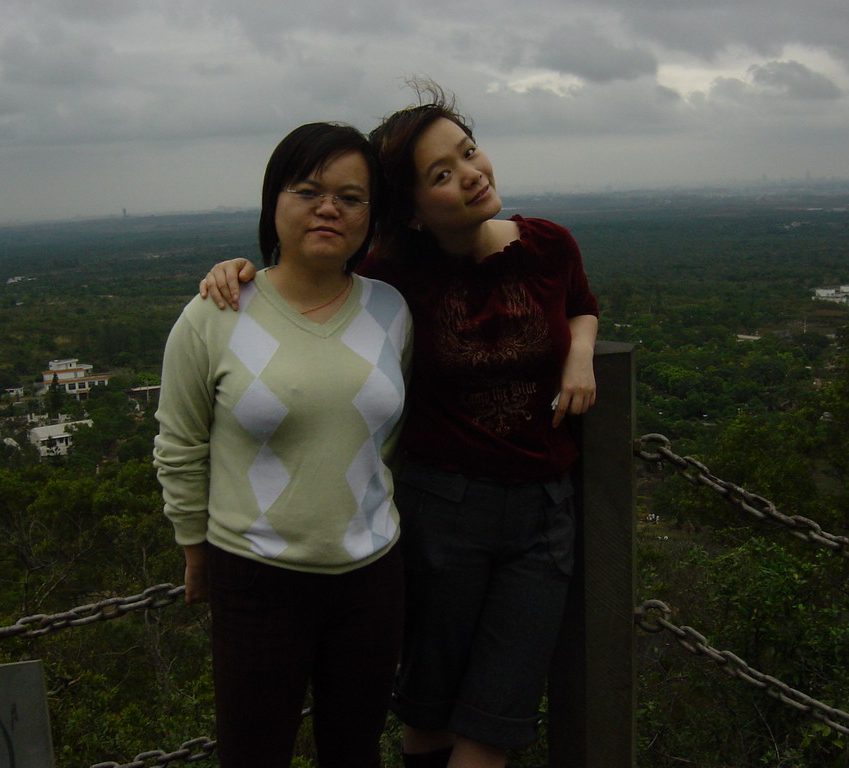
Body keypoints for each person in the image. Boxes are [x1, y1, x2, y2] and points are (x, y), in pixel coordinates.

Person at [200, 81, 598, 768]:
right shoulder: (392, 281)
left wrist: (581, 357)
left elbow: (582, 305)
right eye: (440, 174)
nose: (470, 174)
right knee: (429, 710)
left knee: (498, 718)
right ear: (410, 210)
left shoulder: (548, 246)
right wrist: (240, 275)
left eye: (468, 152)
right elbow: (313, 272)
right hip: (445, 510)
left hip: (544, 510)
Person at [154, 122, 412, 768]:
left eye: (352, 197)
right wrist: (193, 547)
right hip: (257, 575)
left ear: (371, 214)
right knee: (253, 752)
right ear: (274, 203)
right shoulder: (217, 313)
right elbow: (180, 442)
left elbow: (390, 439)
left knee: (355, 751)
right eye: (309, 190)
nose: (330, 208)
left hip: (371, 572)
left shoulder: (392, 312)